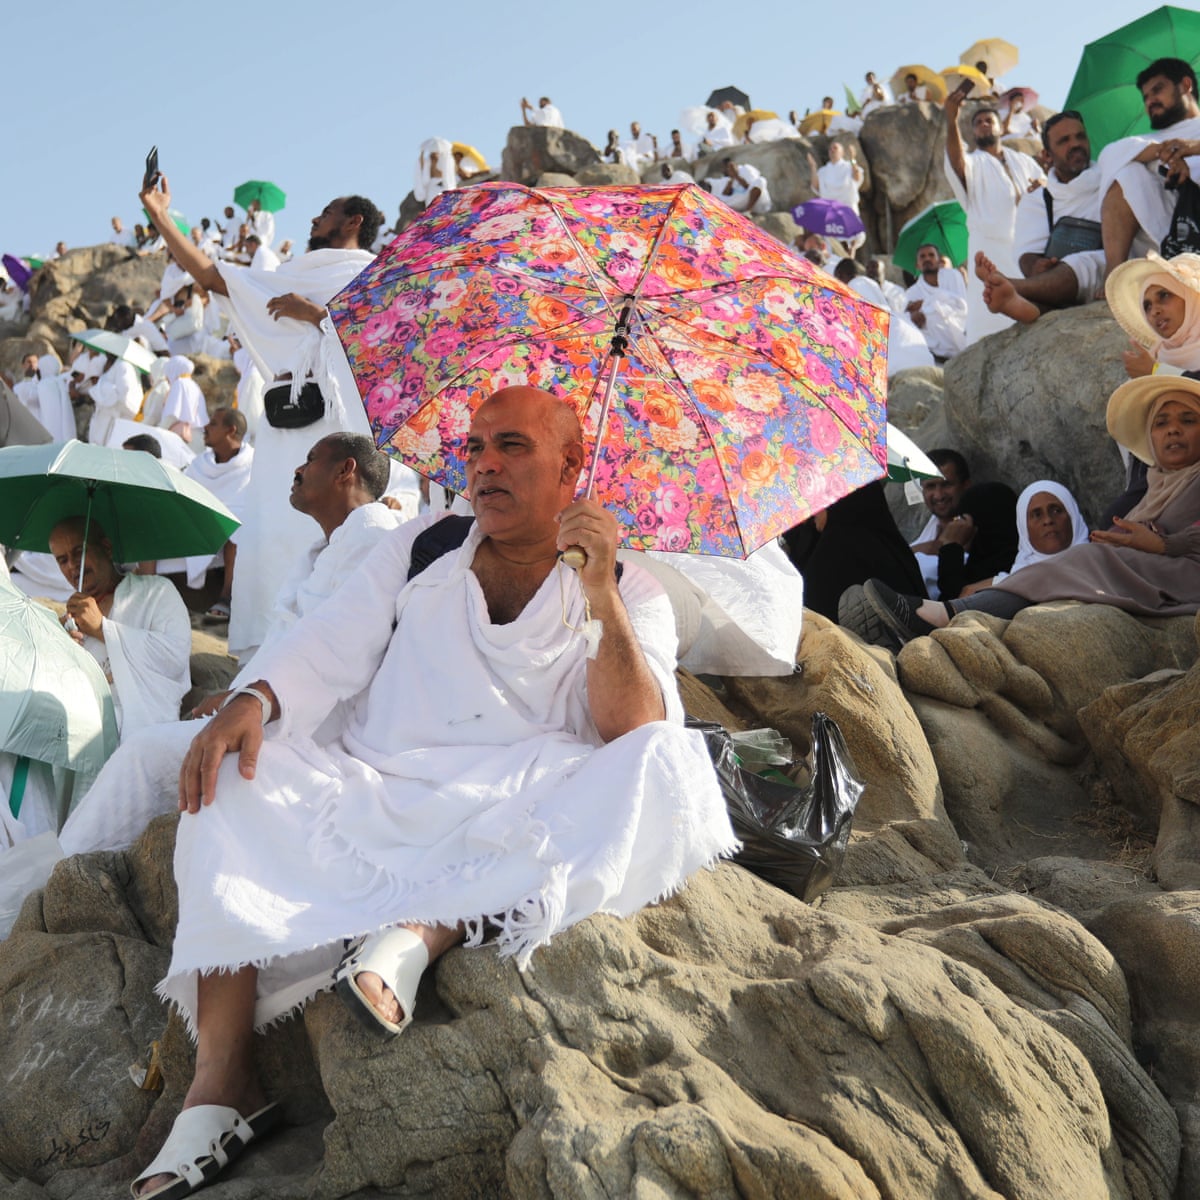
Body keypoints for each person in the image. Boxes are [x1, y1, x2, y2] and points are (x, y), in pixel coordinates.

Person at [124, 386, 734, 1198]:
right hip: (379, 782)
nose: (484, 464)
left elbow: (631, 727)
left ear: (572, 466)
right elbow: (330, 640)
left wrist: (597, 590)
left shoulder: (632, 588)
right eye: (477, 447)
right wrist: (253, 699)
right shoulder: (425, 544)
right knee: (239, 779)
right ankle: (223, 1081)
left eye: (512, 446)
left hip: (521, 797)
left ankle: (425, 929)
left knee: (666, 759)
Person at [58, 432, 402, 857]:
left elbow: (339, 648)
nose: (296, 470)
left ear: (345, 470)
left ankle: (65, 864)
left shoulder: (375, 538)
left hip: (305, 728)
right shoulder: (324, 551)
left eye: (310, 459)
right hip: (266, 703)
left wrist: (256, 700)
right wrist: (237, 693)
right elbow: (292, 644)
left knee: (143, 752)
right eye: (62, 560)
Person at [139, 172, 385, 662]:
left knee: (336, 536)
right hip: (284, 437)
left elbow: (382, 338)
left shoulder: (377, 275)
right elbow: (213, 277)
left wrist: (316, 315)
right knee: (272, 535)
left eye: (328, 211)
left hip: (345, 431)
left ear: (353, 220)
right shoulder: (297, 271)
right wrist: (159, 214)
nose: (316, 218)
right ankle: (264, 660)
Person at [860, 376, 1200, 642]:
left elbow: (1171, 541)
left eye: (1187, 419)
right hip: (1151, 573)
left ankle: (942, 614)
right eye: (1161, 423)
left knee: (1086, 558)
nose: (1172, 429)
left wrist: (1165, 545)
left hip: (1184, 576)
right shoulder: (1156, 483)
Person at [47, 516, 191, 738]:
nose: (73, 566)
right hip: (76, 727)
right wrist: (60, 648)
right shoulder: (71, 619)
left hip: (143, 732)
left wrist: (103, 629)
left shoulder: (156, 592)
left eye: (79, 552)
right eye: (62, 560)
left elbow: (174, 657)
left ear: (106, 548)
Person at [973, 111, 1104, 324]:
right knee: (1049, 295)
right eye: (1064, 141)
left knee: (1081, 262)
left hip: (1106, 272)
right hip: (1060, 284)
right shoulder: (1039, 198)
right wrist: (1036, 267)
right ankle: (1018, 304)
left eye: (1080, 137)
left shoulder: (1110, 177)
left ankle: (1011, 286)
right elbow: (1027, 253)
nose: (1075, 144)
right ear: (1048, 155)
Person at [944, 86, 1044, 343]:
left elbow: (1046, 189)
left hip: (1028, 248)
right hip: (988, 253)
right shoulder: (973, 162)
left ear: (1002, 127)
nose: (984, 125)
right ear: (973, 132)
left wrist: (1038, 189)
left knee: (1034, 325)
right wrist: (951, 120)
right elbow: (956, 165)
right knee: (989, 328)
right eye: (978, 123)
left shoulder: (1023, 160)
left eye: (990, 120)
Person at [1099, 58, 1200, 280]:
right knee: (1125, 173)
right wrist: (1166, 153)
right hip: (1171, 236)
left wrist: (1192, 148)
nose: (1150, 101)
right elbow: (1108, 155)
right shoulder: (1145, 141)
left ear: (1185, 85)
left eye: (1158, 90)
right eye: (1145, 97)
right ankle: (1114, 277)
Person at [781, 481, 926, 622]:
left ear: (838, 501)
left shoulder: (834, 552)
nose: (814, 510)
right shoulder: (891, 546)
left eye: (819, 500)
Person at [181, 408, 255, 618]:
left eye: (213, 423)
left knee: (236, 527)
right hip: (197, 521)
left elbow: (247, 504)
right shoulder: (200, 464)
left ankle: (226, 596)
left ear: (230, 430)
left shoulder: (252, 464)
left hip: (229, 528)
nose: (205, 427)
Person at [1107, 251, 1200, 379]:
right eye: (1147, 307)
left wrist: (1156, 372)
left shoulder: (1149, 367)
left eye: (1164, 296)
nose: (1154, 311)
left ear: (1190, 297)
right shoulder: (1155, 356)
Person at [909, 449, 972, 598]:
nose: (939, 495)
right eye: (931, 486)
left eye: (946, 485)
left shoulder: (971, 526)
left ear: (966, 485)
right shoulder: (932, 525)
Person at [904, 243, 968, 360]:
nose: (927, 258)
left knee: (931, 315)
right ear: (917, 265)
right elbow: (906, 319)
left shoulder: (953, 276)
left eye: (931, 255)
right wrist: (914, 315)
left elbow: (961, 307)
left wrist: (925, 306)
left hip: (962, 333)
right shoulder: (911, 294)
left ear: (939, 260)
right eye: (922, 257)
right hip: (935, 349)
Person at [161, 355, 208, 445]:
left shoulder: (179, 383)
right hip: (196, 435)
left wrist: (159, 430)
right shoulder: (194, 385)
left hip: (182, 437)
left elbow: (172, 414)